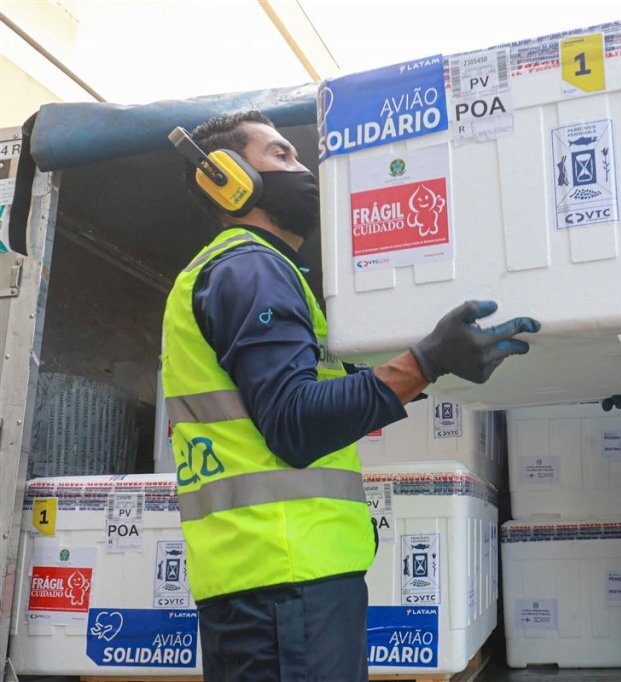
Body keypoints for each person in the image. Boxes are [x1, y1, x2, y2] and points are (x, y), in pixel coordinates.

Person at [161, 110, 540, 682]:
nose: (303, 168)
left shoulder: (243, 271)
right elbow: (295, 423)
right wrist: (426, 361)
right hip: (283, 584)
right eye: (281, 155)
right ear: (225, 177)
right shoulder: (251, 269)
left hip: (272, 581)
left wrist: (421, 366)